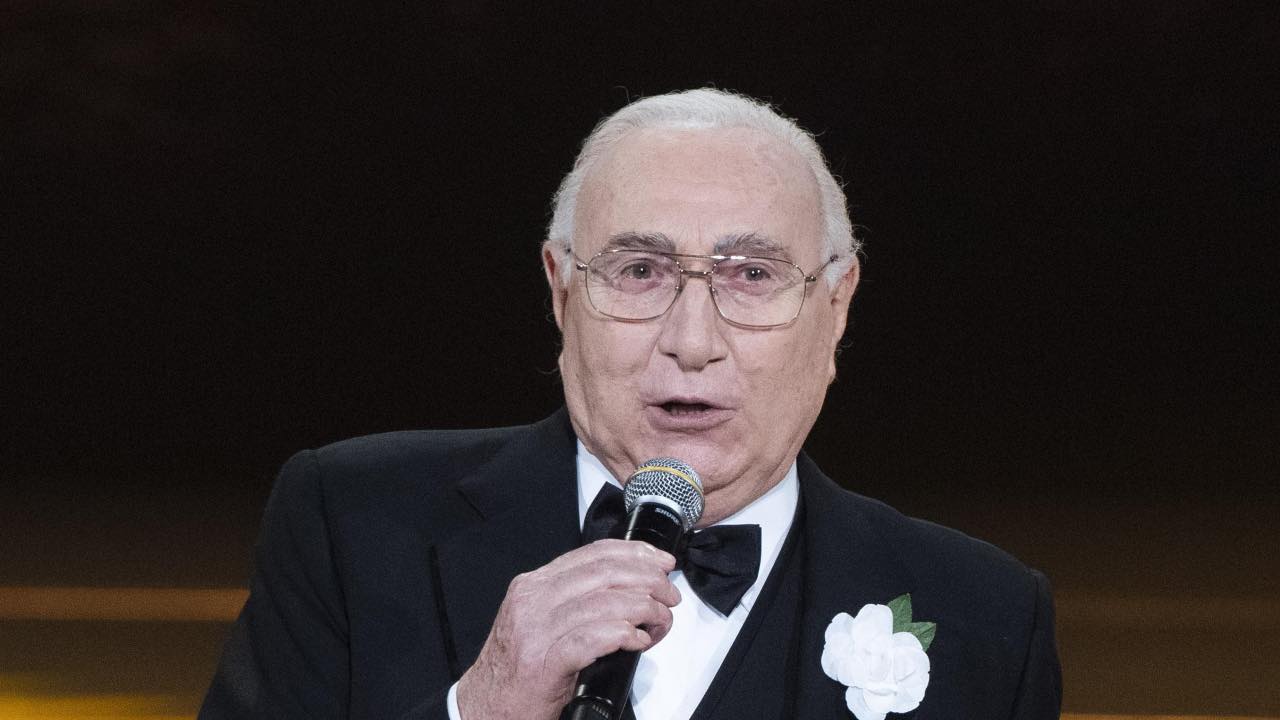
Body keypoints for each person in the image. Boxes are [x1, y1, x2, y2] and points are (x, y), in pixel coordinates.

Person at [200, 88, 1061, 720]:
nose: (693, 339)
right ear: (560, 291)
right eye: (640, 271)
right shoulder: (351, 523)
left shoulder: (986, 618)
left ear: (835, 308)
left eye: (751, 275)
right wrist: (484, 707)